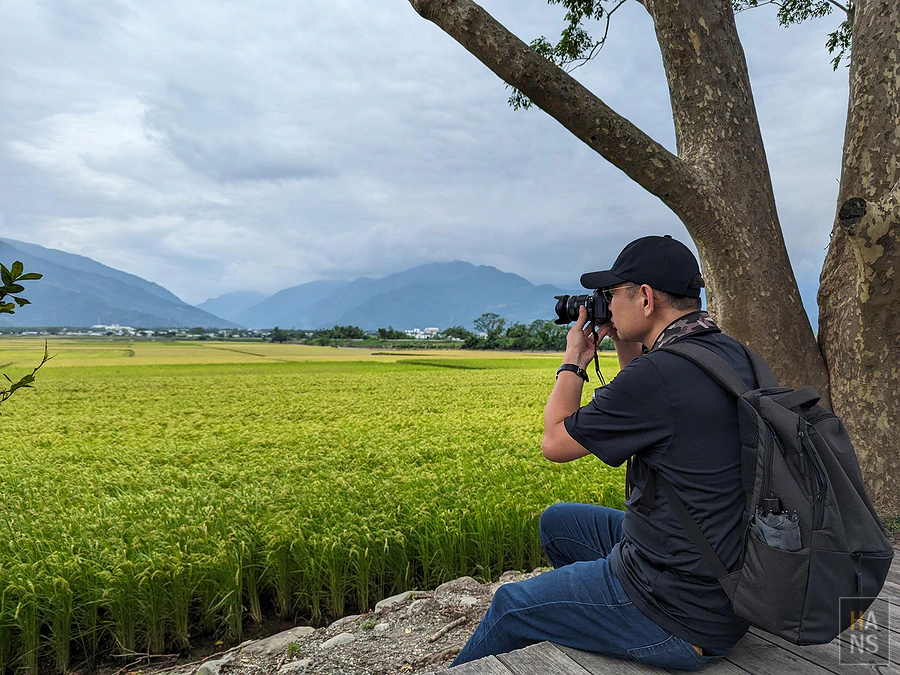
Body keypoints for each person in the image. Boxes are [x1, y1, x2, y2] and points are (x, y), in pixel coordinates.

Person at [452, 235, 756, 671]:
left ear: (646, 297)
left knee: (510, 603)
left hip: (680, 612)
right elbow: (647, 395)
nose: (605, 305)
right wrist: (622, 337)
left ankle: (621, 624)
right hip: (723, 584)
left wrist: (574, 360)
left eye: (612, 295)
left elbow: (555, 443)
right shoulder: (725, 352)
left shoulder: (661, 375)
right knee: (559, 524)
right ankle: (592, 619)